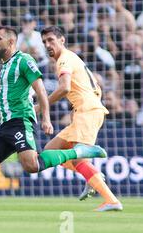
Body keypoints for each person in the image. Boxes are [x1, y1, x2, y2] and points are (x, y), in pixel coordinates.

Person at [0, 26, 107, 213]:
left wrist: (46, 118)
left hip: (21, 121)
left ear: (11, 42)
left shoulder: (24, 60)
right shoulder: (4, 65)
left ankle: (78, 152)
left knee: (32, 165)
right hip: (5, 127)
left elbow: (41, 90)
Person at [39, 26, 122, 212]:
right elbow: (93, 86)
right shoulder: (71, 58)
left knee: (78, 159)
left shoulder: (64, 59)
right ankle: (93, 176)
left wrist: (41, 106)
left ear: (62, 40)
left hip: (87, 111)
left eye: (51, 40)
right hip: (85, 111)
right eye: (44, 42)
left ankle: (111, 200)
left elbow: (65, 88)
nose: (47, 45)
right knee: (49, 151)